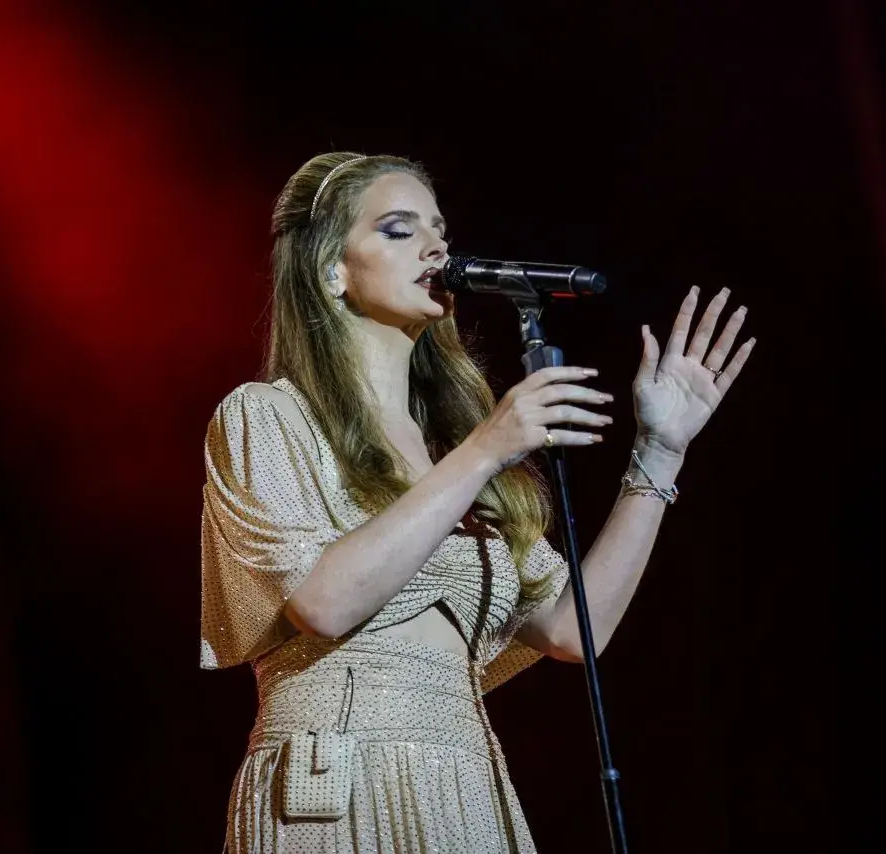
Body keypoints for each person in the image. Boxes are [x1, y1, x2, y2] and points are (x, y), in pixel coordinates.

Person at [199, 152, 755, 853]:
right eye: (400, 230)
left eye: (440, 231)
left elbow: (571, 630)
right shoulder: (269, 417)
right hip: (335, 780)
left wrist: (659, 452)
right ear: (329, 270)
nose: (436, 248)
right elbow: (323, 602)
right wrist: (486, 450)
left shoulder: (452, 450)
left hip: (465, 784)